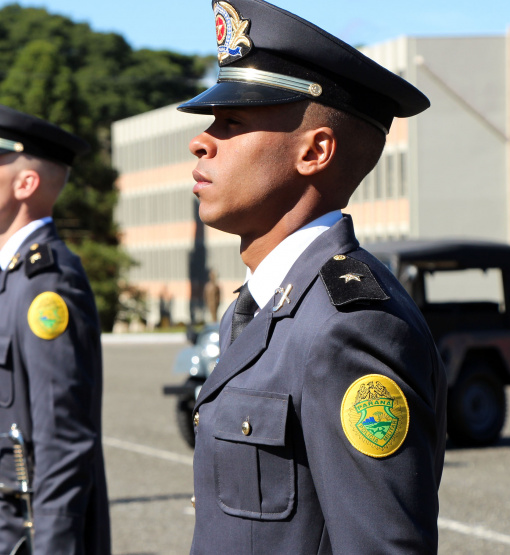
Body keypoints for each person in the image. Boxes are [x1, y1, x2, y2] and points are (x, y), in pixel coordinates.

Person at [177, 1, 447, 553]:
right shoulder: (259, 308)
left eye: (232, 123)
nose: (201, 141)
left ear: (316, 151)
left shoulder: (349, 327)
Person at [0, 93, 111, 555]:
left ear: (25, 183)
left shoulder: (47, 285)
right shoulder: (10, 275)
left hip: (17, 538)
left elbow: (62, 440)